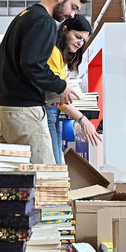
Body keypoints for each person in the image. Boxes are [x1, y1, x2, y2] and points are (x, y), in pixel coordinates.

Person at [0, 0, 87, 164]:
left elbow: (23, 63)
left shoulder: (24, 16)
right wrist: (60, 86)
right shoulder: (44, 21)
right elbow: (33, 64)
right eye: (73, 7)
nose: (72, 15)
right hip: (22, 112)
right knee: (44, 177)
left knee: (16, 181)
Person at [46, 15, 101, 164]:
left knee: (57, 162)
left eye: (83, 39)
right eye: (77, 36)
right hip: (48, 112)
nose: (80, 43)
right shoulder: (54, 52)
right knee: (55, 162)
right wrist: (82, 119)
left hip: (54, 113)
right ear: (65, 30)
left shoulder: (61, 57)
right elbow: (56, 95)